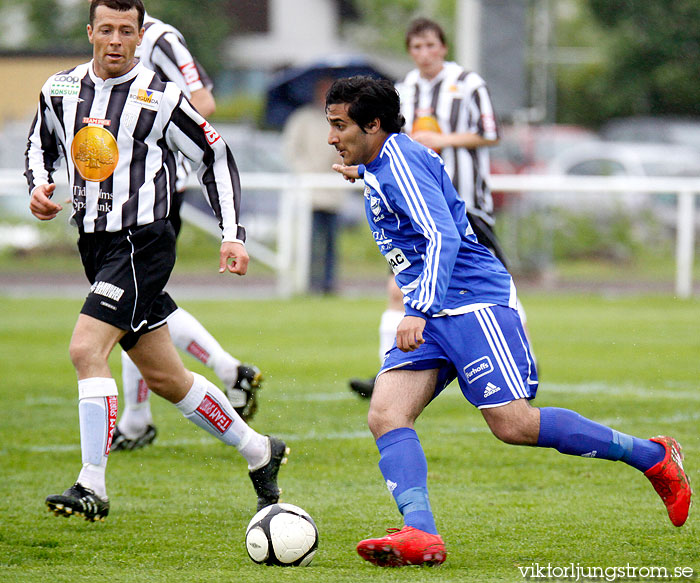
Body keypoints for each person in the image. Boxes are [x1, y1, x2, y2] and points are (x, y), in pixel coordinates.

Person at [326, 76, 691, 567]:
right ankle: (421, 533)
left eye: (339, 125)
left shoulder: (401, 163)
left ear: (372, 124)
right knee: (386, 414)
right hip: (438, 307)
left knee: (513, 425)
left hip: (473, 303)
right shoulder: (386, 162)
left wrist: (415, 309)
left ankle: (653, 457)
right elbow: (415, 200)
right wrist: (365, 177)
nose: (332, 137)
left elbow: (442, 238)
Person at [25, 0, 287, 522]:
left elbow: (215, 156)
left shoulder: (161, 98)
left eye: (127, 30)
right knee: (167, 378)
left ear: (141, 35)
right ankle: (260, 450)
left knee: (85, 349)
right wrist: (39, 187)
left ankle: (91, 484)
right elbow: (39, 144)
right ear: (90, 33)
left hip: (142, 241)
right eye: (107, 30)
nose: (116, 40)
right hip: (95, 244)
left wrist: (232, 234)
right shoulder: (59, 89)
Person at [111, 6, 262, 452]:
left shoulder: (160, 38)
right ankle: (229, 373)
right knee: (139, 305)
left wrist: (159, 141)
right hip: (120, 197)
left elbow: (205, 102)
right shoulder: (108, 39)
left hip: (155, 192)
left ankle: (141, 420)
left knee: (132, 304)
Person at [349, 17, 509, 398]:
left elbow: (491, 134)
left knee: (494, 289)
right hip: (416, 205)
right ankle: (388, 372)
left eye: (430, 46)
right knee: (397, 288)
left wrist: (441, 139)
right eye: (416, 47)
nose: (424, 54)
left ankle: (515, 362)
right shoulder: (403, 88)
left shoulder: (468, 84)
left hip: (464, 205)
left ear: (444, 47)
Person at [282, 76, 346, 294]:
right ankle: (309, 282)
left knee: (330, 241)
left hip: (332, 189)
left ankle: (328, 283)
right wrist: (305, 171)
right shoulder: (302, 118)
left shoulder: (341, 119)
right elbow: (292, 150)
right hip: (308, 190)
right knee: (308, 240)